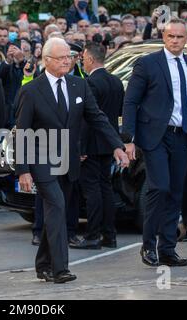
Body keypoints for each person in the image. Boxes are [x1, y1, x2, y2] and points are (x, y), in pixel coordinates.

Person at [16, 38, 129, 284]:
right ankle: (60, 269)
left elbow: (97, 118)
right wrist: (22, 170)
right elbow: (21, 132)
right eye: (61, 58)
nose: (67, 61)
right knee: (56, 205)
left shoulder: (80, 85)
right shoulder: (31, 90)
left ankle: (43, 264)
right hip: (41, 159)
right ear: (46, 60)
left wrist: (117, 146)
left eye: (70, 57)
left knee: (56, 212)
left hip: (69, 160)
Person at [123, 18, 187, 267]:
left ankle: (168, 249)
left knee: (176, 192)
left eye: (180, 36)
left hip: (182, 135)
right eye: (170, 36)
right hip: (155, 136)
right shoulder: (148, 63)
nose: (175, 40)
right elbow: (131, 101)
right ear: (163, 37)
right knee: (160, 188)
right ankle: (148, 247)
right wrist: (129, 139)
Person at [75, 42, 124, 249]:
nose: (82, 62)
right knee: (106, 188)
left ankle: (93, 235)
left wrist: (81, 148)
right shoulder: (116, 81)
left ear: (91, 58)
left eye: (83, 58)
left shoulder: (90, 83)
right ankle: (109, 235)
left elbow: (88, 118)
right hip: (109, 142)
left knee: (92, 190)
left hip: (92, 144)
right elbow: (119, 112)